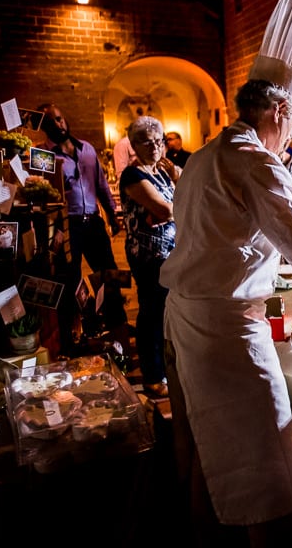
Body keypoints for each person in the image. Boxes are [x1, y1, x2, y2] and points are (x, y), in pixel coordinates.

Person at [158, 0, 292, 548]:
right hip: (228, 331)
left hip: (182, 317)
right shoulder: (257, 160)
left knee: (206, 455)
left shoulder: (204, 156)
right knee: (269, 471)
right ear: (278, 111)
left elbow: (223, 239)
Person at [38, 102, 124, 353]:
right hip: (67, 224)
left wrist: (112, 215)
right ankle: (74, 337)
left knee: (111, 274)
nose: (58, 124)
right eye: (51, 121)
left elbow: (101, 185)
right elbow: (43, 196)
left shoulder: (86, 148)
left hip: (93, 221)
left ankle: (118, 328)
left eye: (59, 118)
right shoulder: (43, 155)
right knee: (69, 280)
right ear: (43, 127)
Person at [120, 116, 176, 398]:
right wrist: (177, 204)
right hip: (148, 255)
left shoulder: (161, 173)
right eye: (146, 142)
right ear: (133, 145)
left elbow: (171, 206)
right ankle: (153, 375)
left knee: (167, 312)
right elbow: (166, 211)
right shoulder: (133, 175)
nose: (154, 147)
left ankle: (166, 370)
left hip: (169, 253)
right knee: (152, 313)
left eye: (158, 141)